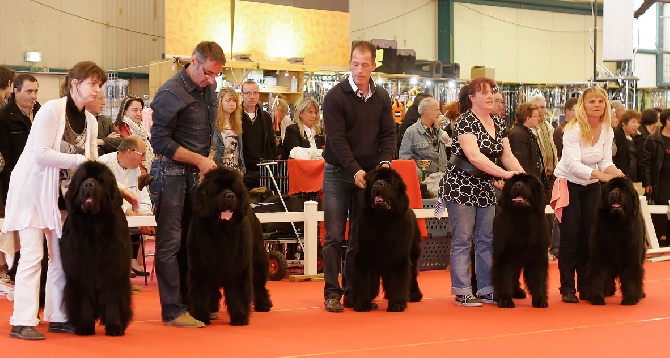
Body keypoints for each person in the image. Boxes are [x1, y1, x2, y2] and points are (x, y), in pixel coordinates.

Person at [1, 61, 110, 340]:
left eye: (100, 85)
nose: (97, 90)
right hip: (32, 191)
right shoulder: (51, 110)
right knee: (33, 256)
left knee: (61, 257)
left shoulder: (91, 121)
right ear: (74, 83)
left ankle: (58, 316)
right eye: (92, 84)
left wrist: (121, 188)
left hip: (61, 197)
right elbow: (41, 153)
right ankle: (22, 320)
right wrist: (79, 158)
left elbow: (91, 165)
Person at [149, 41, 224, 328]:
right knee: (170, 244)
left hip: (196, 175)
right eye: (207, 73)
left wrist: (210, 157)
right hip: (170, 175)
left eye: (216, 75)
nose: (211, 80)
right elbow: (160, 142)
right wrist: (198, 160)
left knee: (194, 243)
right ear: (194, 61)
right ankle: (173, 310)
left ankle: (193, 302)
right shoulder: (170, 92)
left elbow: (211, 128)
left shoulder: (209, 88)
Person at [321, 40, 396, 312]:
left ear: (373, 66)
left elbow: (389, 133)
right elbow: (337, 140)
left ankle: (353, 292)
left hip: (369, 177)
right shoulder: (334, 97)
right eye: (355, 64)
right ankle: (331, 293)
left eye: (365, 65)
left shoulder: (382, 97)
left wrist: (385, 162)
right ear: (349, 63)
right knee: (334, 235)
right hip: (339, 173)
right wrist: (355, 170)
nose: (360, 70)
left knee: (359, 237)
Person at [436, 77, 523, 307]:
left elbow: (507, 156)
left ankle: (486, 288)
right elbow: (475, 157)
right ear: (472, 98)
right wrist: (504, 175)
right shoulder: (465, 121)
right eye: (483, 92)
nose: (490, 96)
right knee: (463, 239)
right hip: (460, 185)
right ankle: (462, 290)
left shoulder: (497, 122)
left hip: (485, 186)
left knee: (486, 239)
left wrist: (524, 177)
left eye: (492, 91)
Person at [552, 86, 623, 304]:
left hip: (592, 185)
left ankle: (584, 284)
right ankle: (566, 287)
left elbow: (605, 161)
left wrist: (616, 173)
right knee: (570, 236)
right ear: (584, 105)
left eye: (601, 102)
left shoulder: (607, 129)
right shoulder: (572, 130)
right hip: (570, 183)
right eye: (592, 102)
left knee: (588, 236)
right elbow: (572, 164)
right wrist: (601, 175)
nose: (597, 106)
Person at [98, 136, 154, 276]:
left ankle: (131, 261)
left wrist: (145, 217)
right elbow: (107, 199)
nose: (144, 159)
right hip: (107, 217)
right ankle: (120, 265)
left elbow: (143, 198)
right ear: (130, 151)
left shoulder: (136, 170)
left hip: (133, 217)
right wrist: (133, 214)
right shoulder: (104, 165)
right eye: (142, 155)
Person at [0, 74, 40, 207]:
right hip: (18, 182)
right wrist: (10, 189)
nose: (33, 96)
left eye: (36, 91)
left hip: (40, 179)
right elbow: (5, 158)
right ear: (16, 91)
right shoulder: (4, 117)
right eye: (29, 91)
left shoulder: (42, 113)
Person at [549, 96, 578, 260]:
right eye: (576, 110)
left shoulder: (583, 129)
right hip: (564, 176)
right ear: (567, 112)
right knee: (559, 213)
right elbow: (562, 155)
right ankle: (557, 247)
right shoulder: (560, 131)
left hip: (579, 177)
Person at [399, 97, 448, 179]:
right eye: (436, 110)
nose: (439, 113)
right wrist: (422, 176)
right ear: (425, 111)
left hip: (441, 181)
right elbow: (405, 159)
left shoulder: (439, 131)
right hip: (423, 184)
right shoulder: (411, 132)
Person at [240, 80, 276, 189]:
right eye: (248, 93)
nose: (252, 97)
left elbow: (271, 143)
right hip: (242, 170)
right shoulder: (235, 116)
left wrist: (270, 166)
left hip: (262, 170)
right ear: (242, 95)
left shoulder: (265, 117)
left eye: (255, 93)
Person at [642, 109, 670, 244]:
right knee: (660, 209)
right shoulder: (653, 139)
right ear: (664, 121)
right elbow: (646, 163)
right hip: (660, 180)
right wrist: (648, 183)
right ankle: (656, 240)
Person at [210, 86, 245, 173]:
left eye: (234, 101)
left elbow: (239, 151)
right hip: (219, 172)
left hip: (235, 172)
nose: (232, 104)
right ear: (220, 102)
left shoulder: (237, 125)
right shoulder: (213, 125)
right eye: (228, 100)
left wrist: (242, 170)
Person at [115, 96, 154, 173]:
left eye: (140, 110)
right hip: (129, 173)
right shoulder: (119, 129)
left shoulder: (142, 128)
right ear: (125, 111)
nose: (139, 114)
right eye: (135, 110)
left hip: (145, 171)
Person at [508, 103, 545, 181]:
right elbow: (522, 163)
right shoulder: (517, 134)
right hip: (526, 183)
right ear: (528, 118)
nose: (538, 118)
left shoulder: (528, 133)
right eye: (536, 116)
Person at [529, 94, 558, 183]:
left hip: (552, 175)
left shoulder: (548, 126)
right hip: (537, 177)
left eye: (542, 107)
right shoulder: (529, 128)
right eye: (537, 107)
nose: (540, 110)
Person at [85, 91, 122, 155]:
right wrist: (107, 140)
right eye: (100, 99)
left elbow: (121, 142)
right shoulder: (75, 122)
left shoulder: (105, 121)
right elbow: (81, 146)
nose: (104, 103)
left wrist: (101, 141)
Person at [612, 109, 642, 182]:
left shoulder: (632, 137)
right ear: (624, 123)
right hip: (620, 175)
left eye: (637, 122)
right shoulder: (617, 134)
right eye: (633, 122)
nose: (636, 125)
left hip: (631, 176)